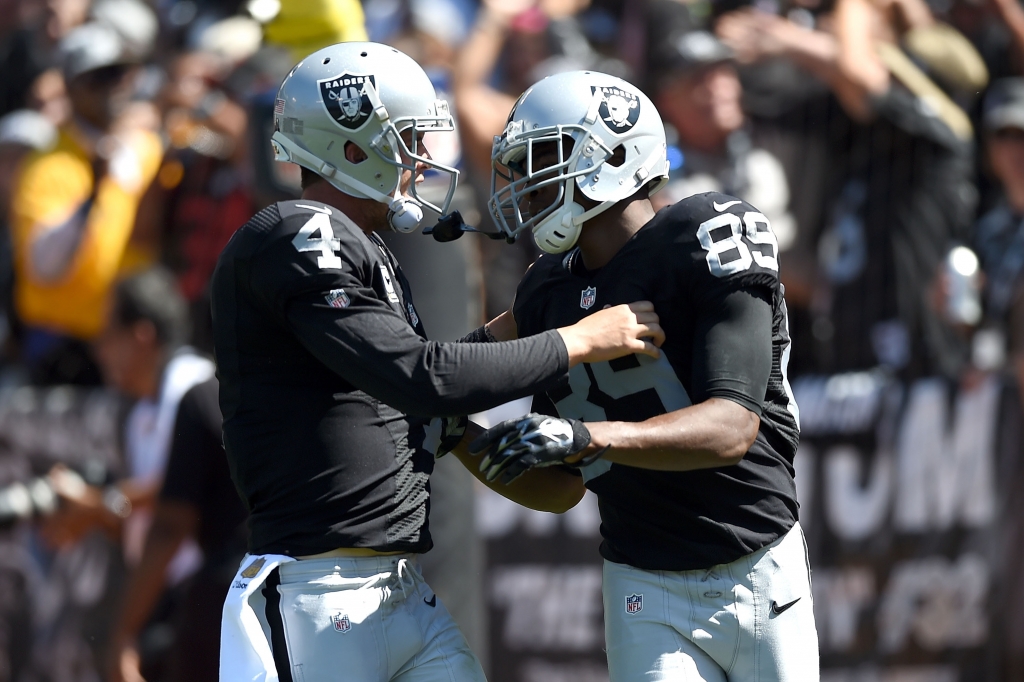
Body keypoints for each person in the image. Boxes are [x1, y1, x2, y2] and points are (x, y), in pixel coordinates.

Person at [211, 42, 663, 682]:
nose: (418, 158)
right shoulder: (295, 232)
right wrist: (578, 338)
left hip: (398, 588)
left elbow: (421, 380)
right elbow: (421, 377)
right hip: (316, 589)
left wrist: (531, 324)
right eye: (405, 139)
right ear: (350, 146)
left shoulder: (366, 249)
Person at [460, 70, 818, 681]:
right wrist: (455, 434)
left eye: (543, 156)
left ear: (613, 153)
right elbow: (559, 489)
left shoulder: (704, 234)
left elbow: (731, 428)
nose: (525, 180)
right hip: (641, 581)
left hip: (757, 564)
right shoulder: (547, 288)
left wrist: (587, 439)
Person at [8, 22, 163, 385]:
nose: (113, 87)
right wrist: (91, 196)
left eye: (120, 73)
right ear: (71, 89)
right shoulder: (46, 165)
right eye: (97, 77)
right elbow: (43, 265)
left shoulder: (147, 148)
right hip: (64, 350)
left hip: (135, 348)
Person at [106, 377, 247, 682]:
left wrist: (124, 635)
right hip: (318, 583)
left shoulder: (208, 394)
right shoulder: (315, 382)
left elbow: (171, 525)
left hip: (232, 594)